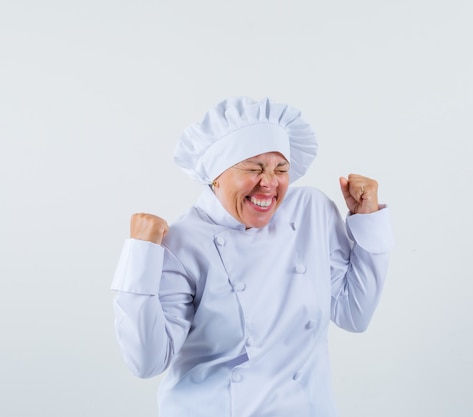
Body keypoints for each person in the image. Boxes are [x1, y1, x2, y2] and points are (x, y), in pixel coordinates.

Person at [111, 96, 394, 417]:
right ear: (216, 175)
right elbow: (147, 362)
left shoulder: (310, 211)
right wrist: (140, 256)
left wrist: (367, 221)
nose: (270, 183)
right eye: (253, 168)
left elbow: (354, 314)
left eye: (281, 169)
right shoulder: (184, 242)